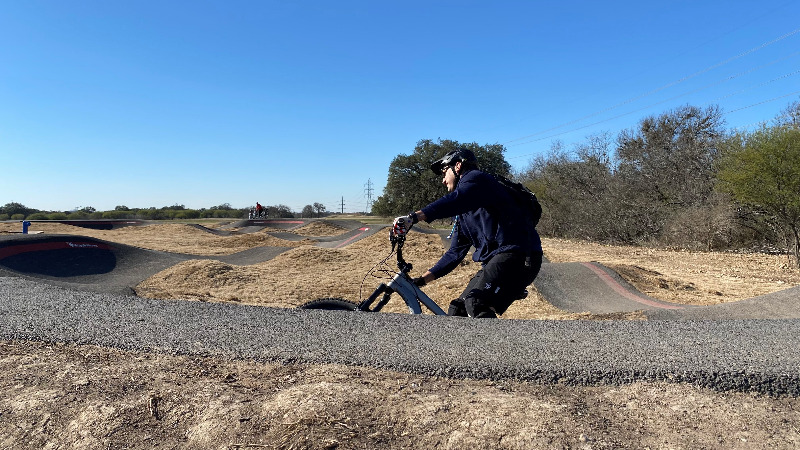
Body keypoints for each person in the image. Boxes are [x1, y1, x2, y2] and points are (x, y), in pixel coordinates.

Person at [393, 147, 543, 318]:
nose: (443, 180)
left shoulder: (477, 179)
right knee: (458, 309)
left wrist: (414, 217)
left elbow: (456, 199)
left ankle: (498, 345)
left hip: (518, 256)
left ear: (457, 166)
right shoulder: (465, 212)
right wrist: (422, 280)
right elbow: (455, 253)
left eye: (444, 172)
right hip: (500, 260)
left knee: (477, 303)